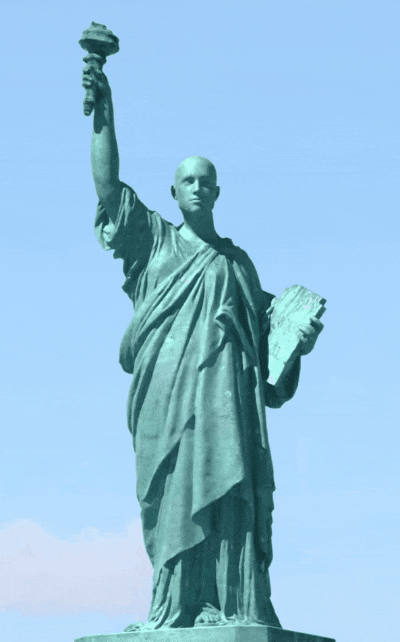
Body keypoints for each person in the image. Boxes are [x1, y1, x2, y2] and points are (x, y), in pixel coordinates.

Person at [83, 68, 324, 630]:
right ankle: (175, 607)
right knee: (169, 498)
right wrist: (104, 113)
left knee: (229, 493)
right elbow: (108, 187)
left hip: (225, 407)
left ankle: (233, 603)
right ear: (174, 193)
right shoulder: (154, 243)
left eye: (205, 181)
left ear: (217, 192)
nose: (196, 188)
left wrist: (300, 343)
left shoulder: (237, 264)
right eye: (186, 181)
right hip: (165, 402)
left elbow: (268, 353)